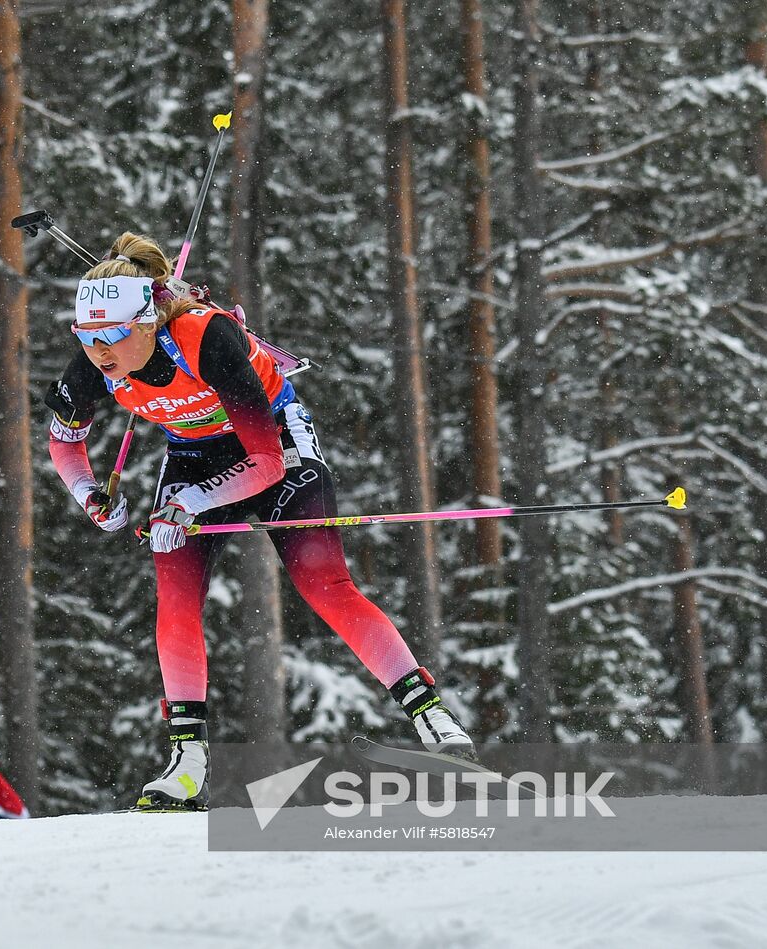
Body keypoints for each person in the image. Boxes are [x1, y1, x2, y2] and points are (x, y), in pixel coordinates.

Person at [45, 232, 475, 811]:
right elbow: (64, 445)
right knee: (175, 598)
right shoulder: (93, 365)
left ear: (148, 321)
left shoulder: (206, 339)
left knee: (323, 585)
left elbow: (266, 461)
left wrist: (190, 504)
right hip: (194, 453)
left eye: (114, 335)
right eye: (88, 336)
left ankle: (433, 719)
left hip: (275, 443)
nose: (100, 350)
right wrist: (89, 493)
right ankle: (187, 766)